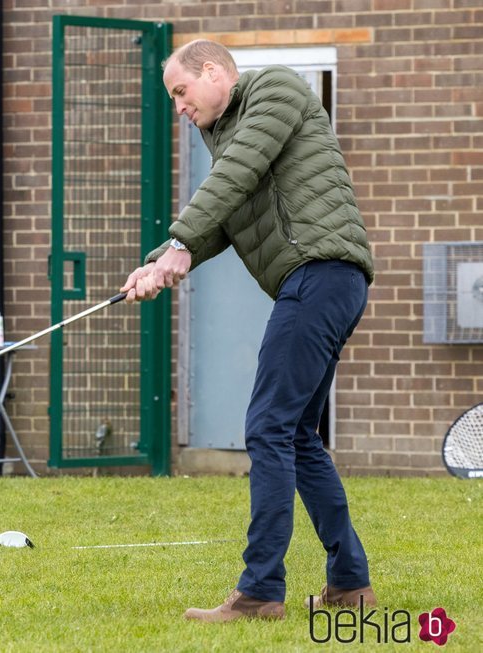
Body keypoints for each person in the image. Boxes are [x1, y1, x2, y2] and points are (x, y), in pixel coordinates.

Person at [121, 39, 377, 622]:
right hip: (320, 282)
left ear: (213, 72)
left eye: (181, 92)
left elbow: (235, 176)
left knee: (267, 427)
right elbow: (224, 216)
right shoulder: (226, 136)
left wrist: (180, 243)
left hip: (321, 273)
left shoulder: (276, 88)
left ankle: (260, 590)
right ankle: (350, 585)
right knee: (296, 434)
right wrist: (156, 262)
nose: (179, 108)